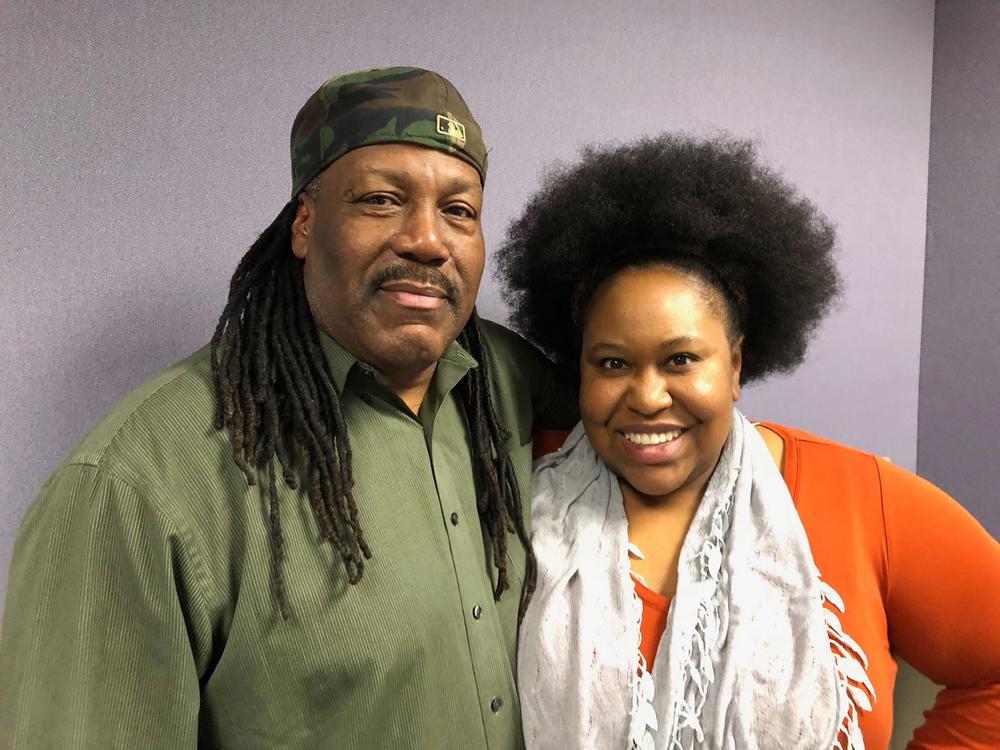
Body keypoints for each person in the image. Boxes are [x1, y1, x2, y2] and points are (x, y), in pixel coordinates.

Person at [0, 67, 575, 749]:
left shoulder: (506, 382)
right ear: (305, 225)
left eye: (459, 211)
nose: (428, 239)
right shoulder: (132, 490)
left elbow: (663, 432)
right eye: (383, 200)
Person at [497, 134, 1000, 749]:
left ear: (735, 366)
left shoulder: (859, 496)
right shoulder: (523, 493)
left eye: (681, 359)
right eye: (611, 364)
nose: (648, 396)